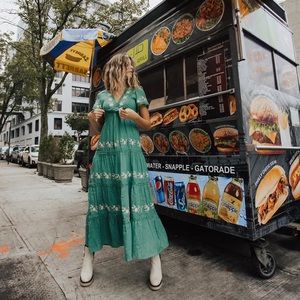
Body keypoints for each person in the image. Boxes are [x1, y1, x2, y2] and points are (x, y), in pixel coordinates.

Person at [80, 53, 169, 291]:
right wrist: (91, 118)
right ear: (117, 69)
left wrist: (134, 116)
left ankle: (154, 258)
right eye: (128, 67)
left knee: (139, 203)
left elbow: (148, 125)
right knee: (100, 203)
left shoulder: (136, 93)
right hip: (107, 158)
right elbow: (97, 127)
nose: (131, 71)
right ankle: (89, 255)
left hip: (130, 156)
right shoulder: (102, 96)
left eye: (132, 68)